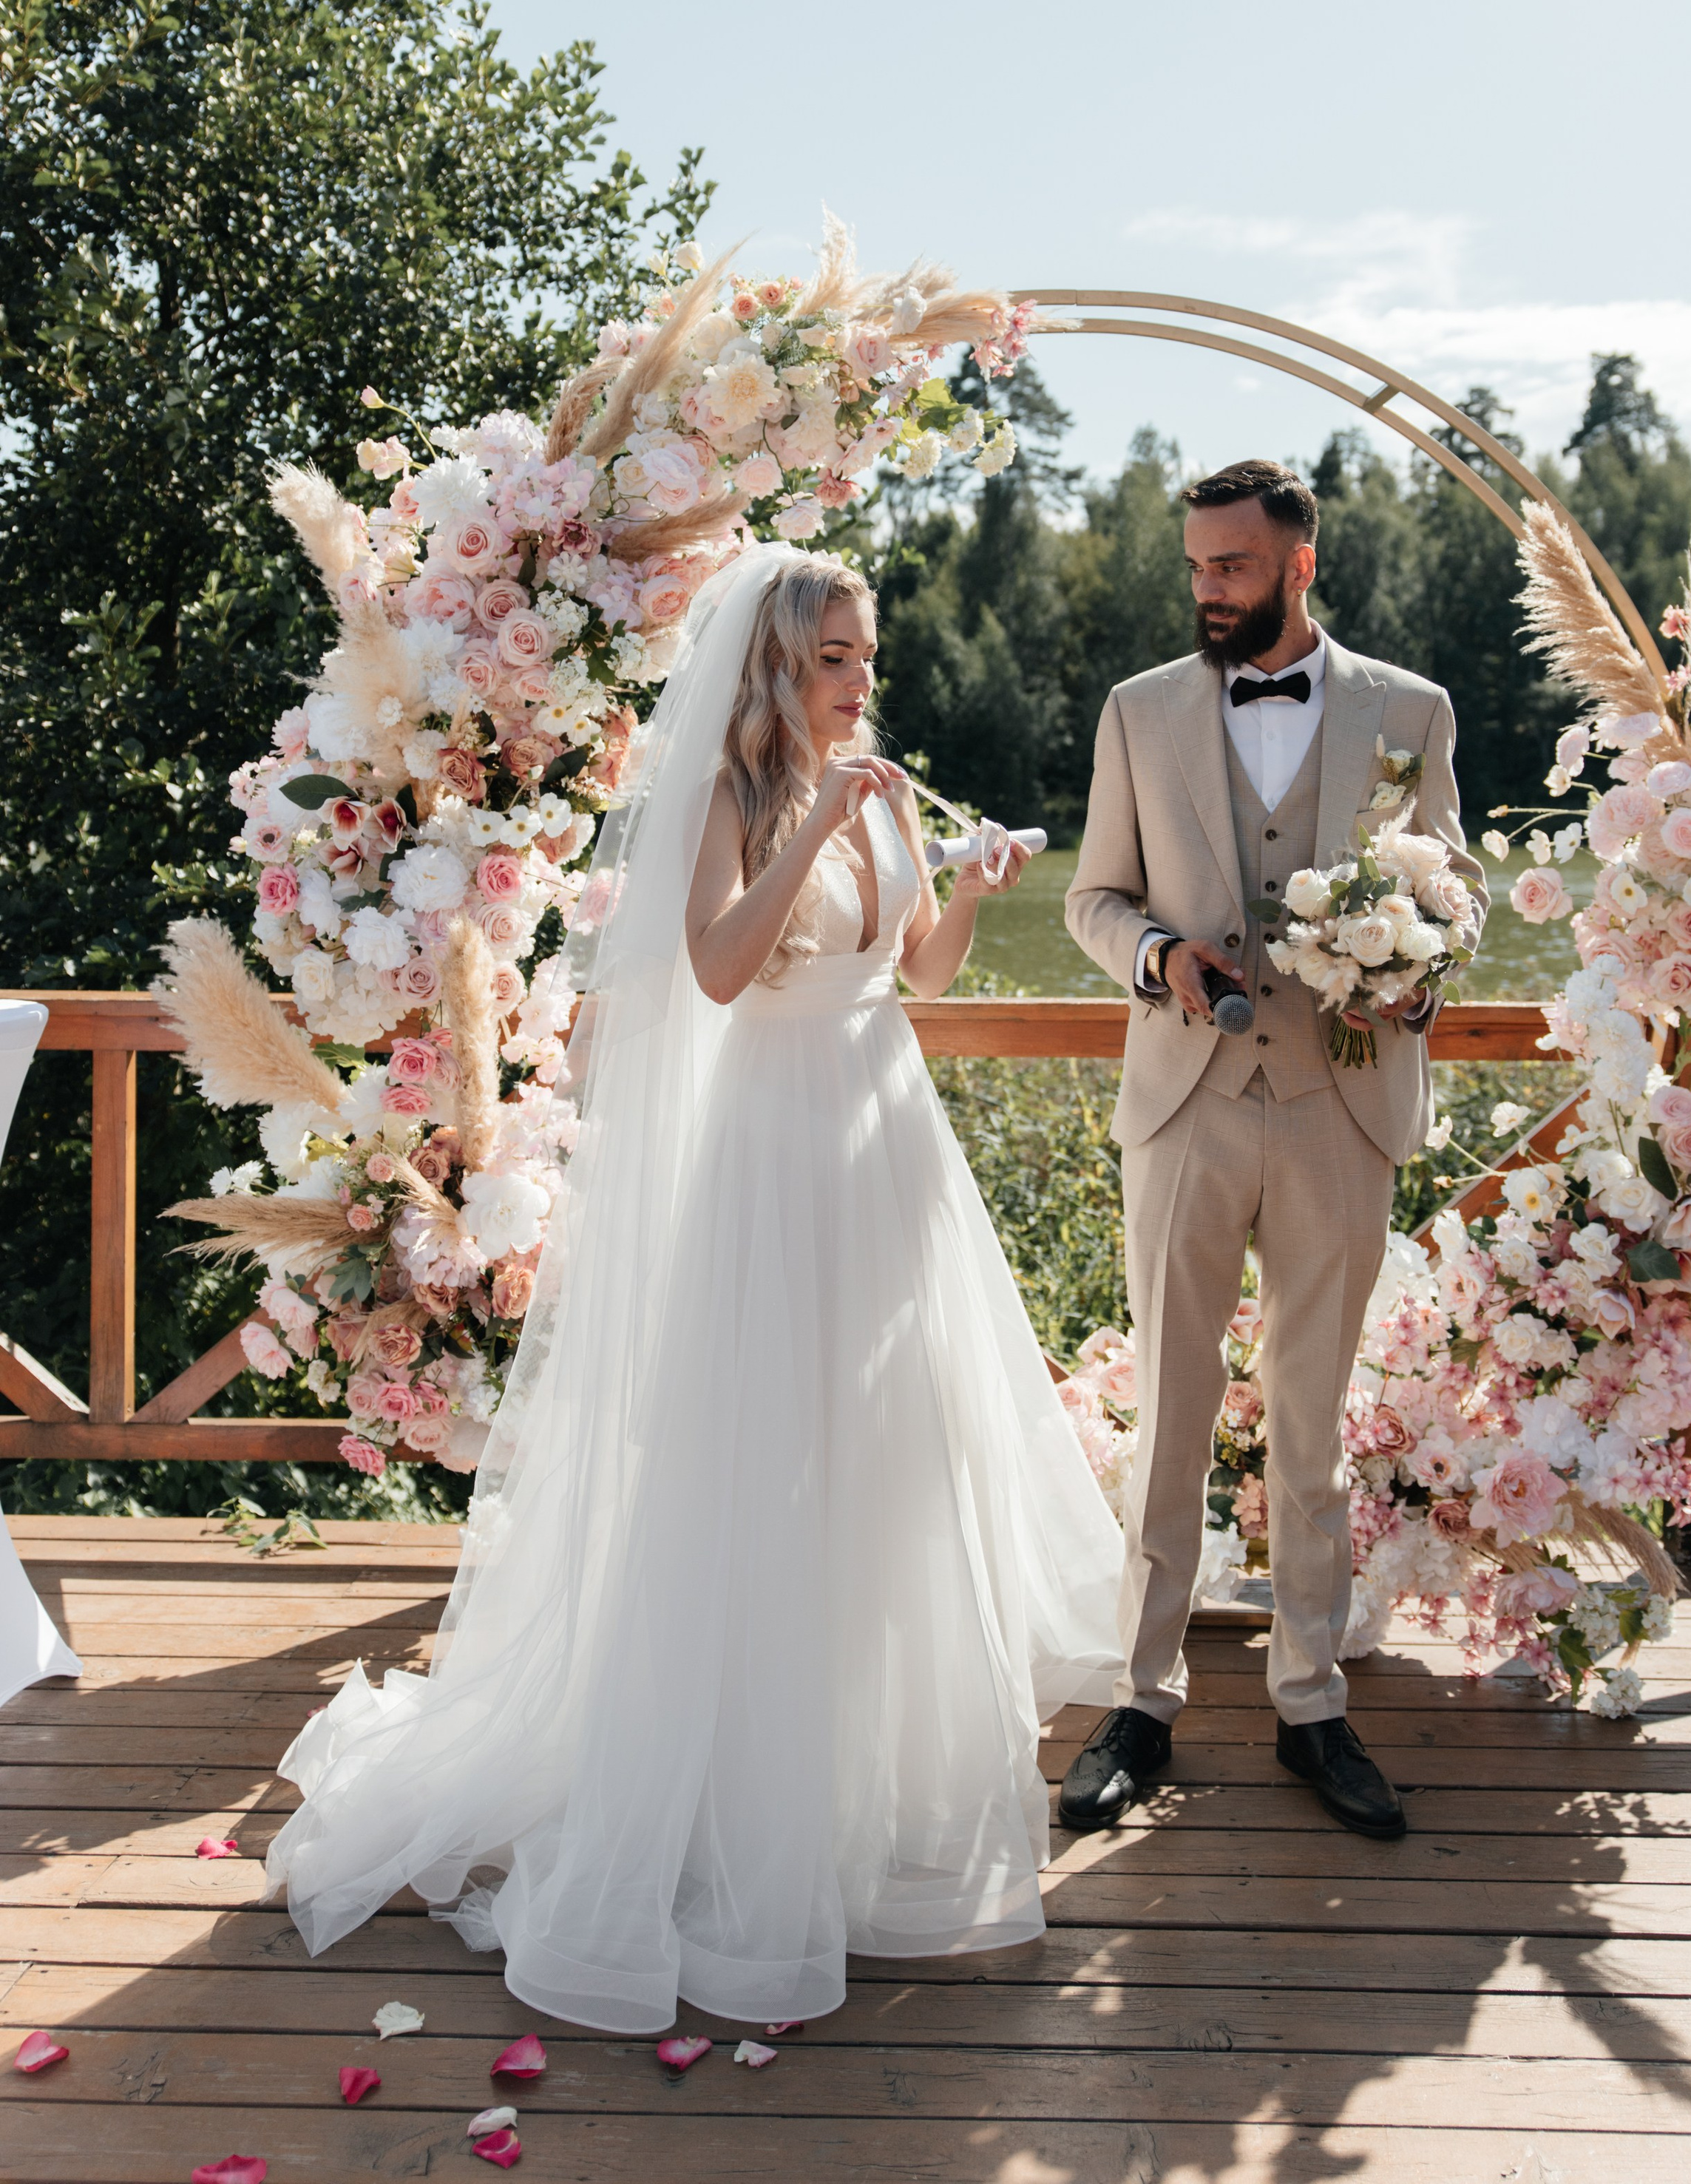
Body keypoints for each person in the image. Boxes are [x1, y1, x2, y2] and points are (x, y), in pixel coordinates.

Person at [268, 545, 1122, 2034]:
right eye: (839, 659)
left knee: (888, 1452)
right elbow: (720, 969)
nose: (864, 682)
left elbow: (914, 970)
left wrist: (965, 883)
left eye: (868, 657)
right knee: (763, 1460)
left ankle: (860, 1801)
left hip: (883, 1132)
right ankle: (733, 1810)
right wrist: (817, 824)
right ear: (779, 669)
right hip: (772, 1144)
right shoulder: (737, 797)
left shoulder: (884, 785)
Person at [1061, 460, 1485, 1841]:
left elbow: (1456, 890)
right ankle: (1141, 1702)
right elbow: (1091, 897)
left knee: (1311, 1424)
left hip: (1340, 1108)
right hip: (1187, 1101)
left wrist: (1419, 978)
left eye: (1231, 567)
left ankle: (1313, 1705)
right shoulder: (1138, 711)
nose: (1206, 589)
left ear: (1301, 565)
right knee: (1172, 1417)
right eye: (1194, 566)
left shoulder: (1409, 712)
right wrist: (1154, 956)